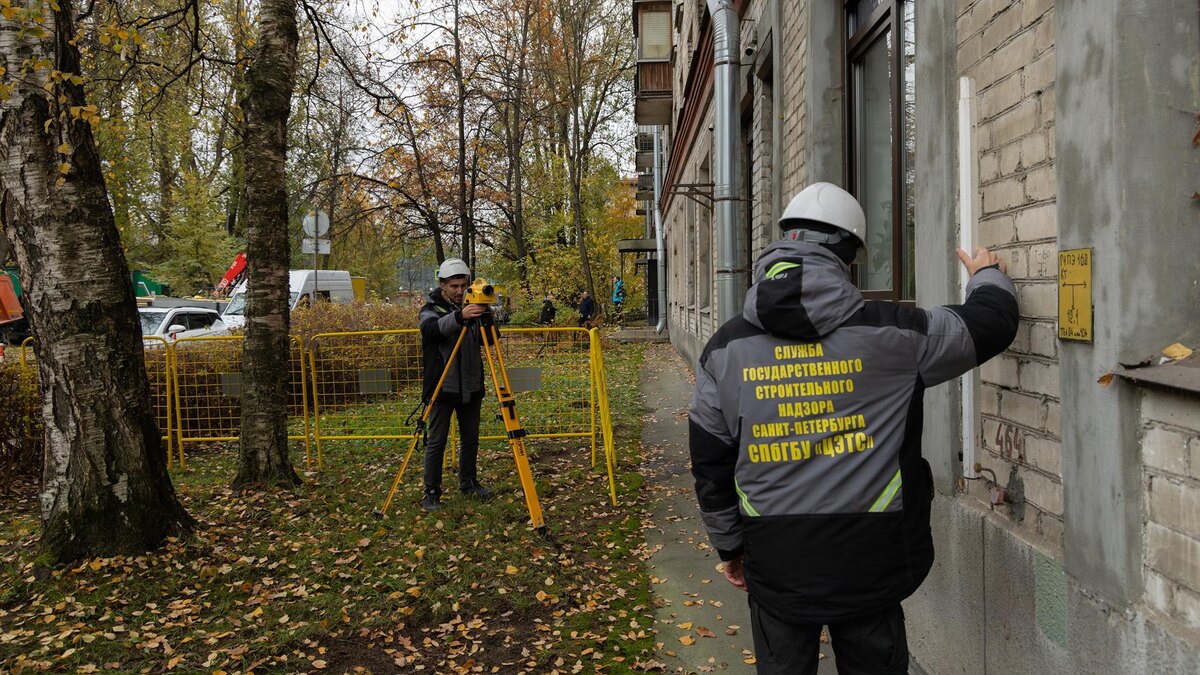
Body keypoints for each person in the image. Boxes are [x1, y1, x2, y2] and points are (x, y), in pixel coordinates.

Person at [688, 182, 1018, 674]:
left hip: (776, 564)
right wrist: (987, 276)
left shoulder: (724, 349)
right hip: (873, 562)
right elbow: (988, 324)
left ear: (783, 242)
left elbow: (710, 465)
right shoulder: (895, 334)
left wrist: (730, 547)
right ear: (848, 257)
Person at [418, 258, 495, 511]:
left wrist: (487, 318)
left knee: (470, 438)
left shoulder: (474, 305)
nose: (460, 291)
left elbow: (489, 341)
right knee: (436, 442)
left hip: (471, 385)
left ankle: (469, 482)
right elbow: (431, 330)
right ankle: (431, 492)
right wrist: (460, 316)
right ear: (442, 285)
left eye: (463, 285)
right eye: (454, 286)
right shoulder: (430, 309)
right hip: (442, 386)